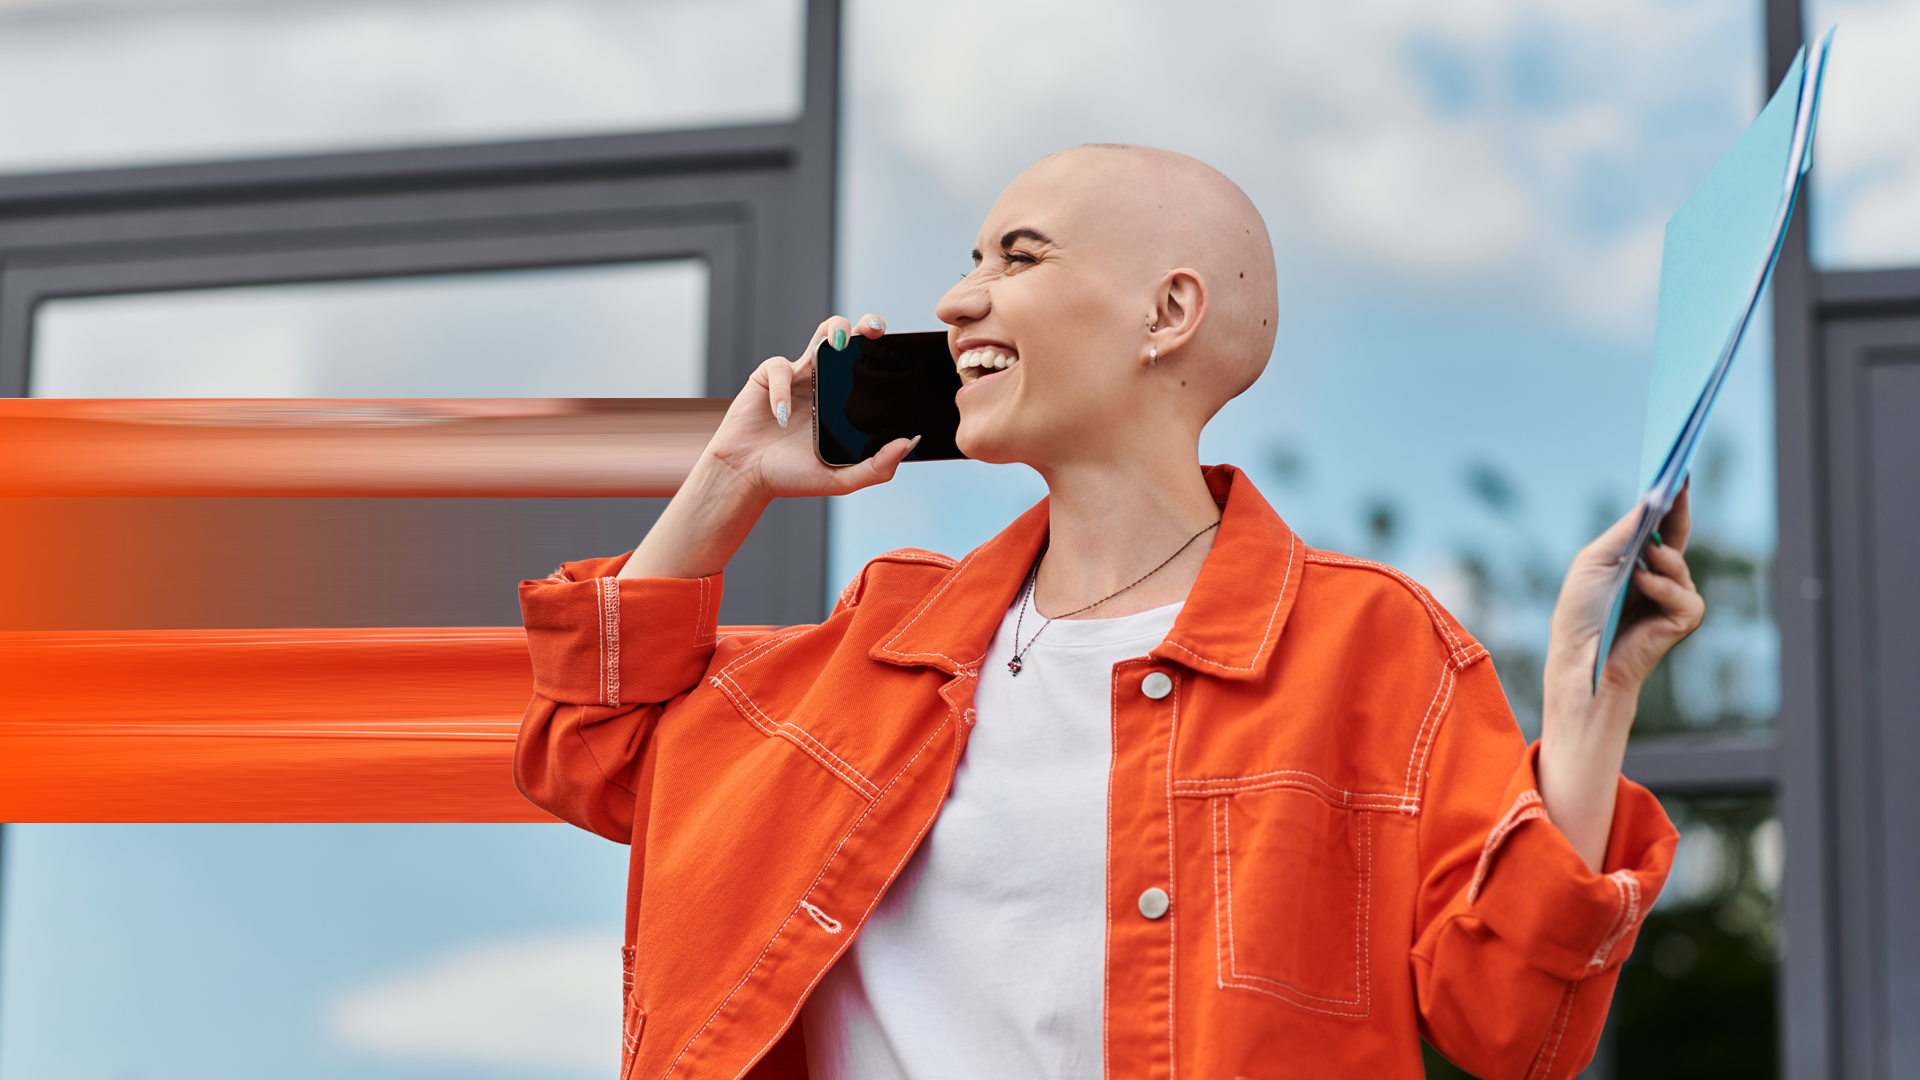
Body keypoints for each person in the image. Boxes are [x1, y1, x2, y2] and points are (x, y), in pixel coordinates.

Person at [514, 144, 1699, 1080]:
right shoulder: (888, 634)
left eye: (1018, 260)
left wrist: (1587, 711)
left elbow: (1513, 1028)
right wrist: (730, 480)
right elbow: (593, 750)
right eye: (972, 260)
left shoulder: (1369, 649)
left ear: (1167, 312)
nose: (958, 298)